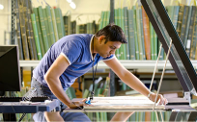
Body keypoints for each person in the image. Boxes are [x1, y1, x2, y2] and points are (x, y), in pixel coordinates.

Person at [31, 23, 168, 122]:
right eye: (112, 48)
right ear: (101, 39)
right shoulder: (75, 46)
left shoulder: (101, 52)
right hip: (42, 89)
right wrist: (69, 103)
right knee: (53, 117)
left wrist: (150, 95)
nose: (112, 53)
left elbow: (123, 73)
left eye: (115, 49)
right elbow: (50, 77)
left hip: (60, 89)